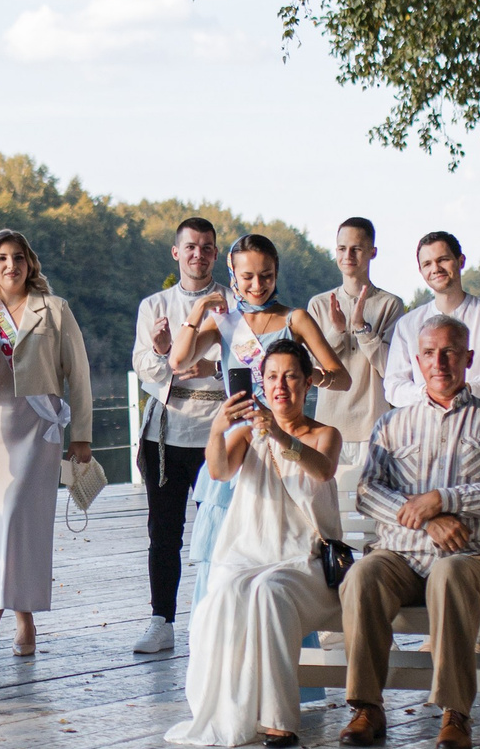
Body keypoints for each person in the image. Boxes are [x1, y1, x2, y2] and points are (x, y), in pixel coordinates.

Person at [339, 318, 480, 749]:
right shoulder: (391, 425)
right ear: (416, 359)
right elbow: (367, 490)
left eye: (450, 352)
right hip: (402, 555)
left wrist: (442, 499)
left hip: (472, 558)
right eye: (429, 353)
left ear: (469, 358)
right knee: (363, 576)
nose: (439, 362)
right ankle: (367, 706)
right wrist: (426, 520)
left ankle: (455, 713)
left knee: (450, 575)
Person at [166, 339, 344, 749]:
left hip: (307, 563)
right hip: (249, 555)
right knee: (224, 595)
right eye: (273, 377)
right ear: (261, 383)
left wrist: (279, 434)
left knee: (268, 590)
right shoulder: (247, 433)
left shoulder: (324, 434)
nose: (281, 386)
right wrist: (217, 428)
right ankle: (234, 711)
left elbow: (321, 470)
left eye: (292, 377)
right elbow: (219, 469)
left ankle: (280, 719)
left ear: (307, 383)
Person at [0, 229, 95, 660]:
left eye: (18, 257)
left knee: (25, 526)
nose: (10, 266)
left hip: (38, 427)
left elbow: (79, 375)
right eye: (1, 259)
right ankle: (13, 615)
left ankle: (4, 614)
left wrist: (82, 436)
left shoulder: (54, 310)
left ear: (30, 263)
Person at [169, 233, 350, 565]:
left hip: (284, 439)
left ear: (276, 272)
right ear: (233, 275)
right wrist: (198, 310)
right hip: (238, 440)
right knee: (224, 556)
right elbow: (178, 361)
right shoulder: (224, 321)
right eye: (247, 276)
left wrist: (308, 373)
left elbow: (342, 378)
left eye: (266, 275)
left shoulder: (294, 319)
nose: (257, 284)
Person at [129, 217, 228, 653]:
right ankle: (161, 620)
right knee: (164, 531)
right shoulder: (156, 305)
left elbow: (246, 362)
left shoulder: (233, 304)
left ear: (216, 253)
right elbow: (145, 370)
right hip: (167, 432)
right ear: (176, 252)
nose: (198, 254)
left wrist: (210, 367)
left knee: (219, 528)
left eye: (207, 247)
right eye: (191, 246)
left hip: (217, 432)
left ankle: (217, 616)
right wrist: (162, 351)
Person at [383, 230, 480, 411]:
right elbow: (393, 387)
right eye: (427, 264)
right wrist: (427, 393)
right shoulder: (407, 325)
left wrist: (465, 390)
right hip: (425, 426)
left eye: (443, 259)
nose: (436, 268)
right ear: (421, 271)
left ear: (461, 261)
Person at [308, 216, 406, 447]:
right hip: (327, 427)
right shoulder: (319, 305)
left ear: (373, 252)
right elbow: (309, 368)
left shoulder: (390, 304)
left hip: (373, 428)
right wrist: (337, 332)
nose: (348, 256)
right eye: (342, 248)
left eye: (356, 249)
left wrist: (362, 328)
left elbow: (390, 368)